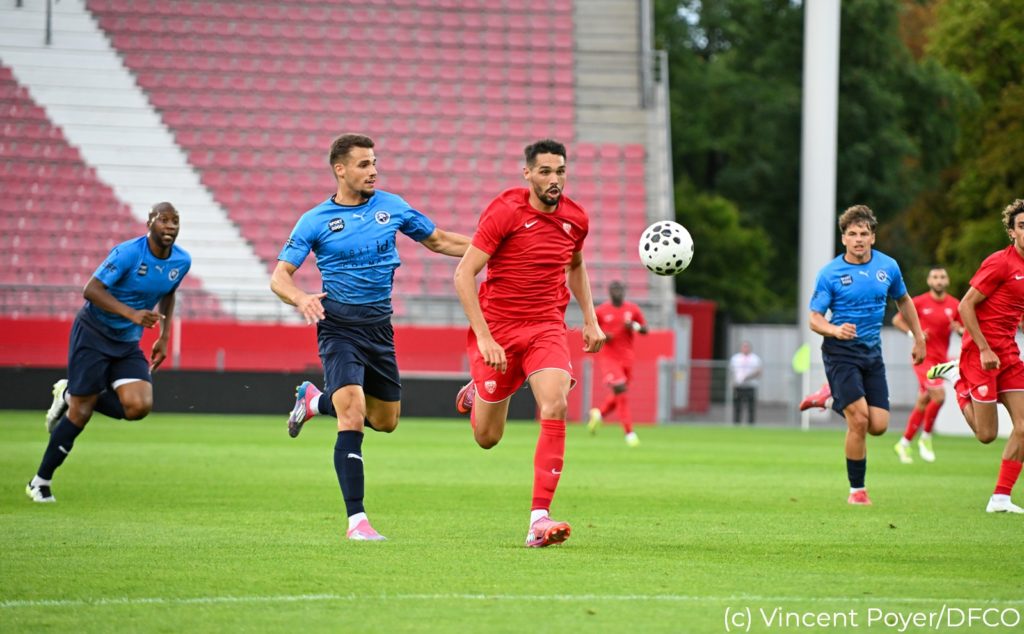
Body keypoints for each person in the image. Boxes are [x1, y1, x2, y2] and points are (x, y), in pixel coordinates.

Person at [271, 133, 470, 541]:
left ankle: (314, 400)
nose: (373, 170)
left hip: (379, 328)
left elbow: (439, 240)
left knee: (385, 420)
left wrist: (493, 248)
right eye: (364, 164)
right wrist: (301, 298)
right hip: (338, 327)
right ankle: (357, 521)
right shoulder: (315, 220)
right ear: (340, 169)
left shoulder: (392, 206)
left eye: (375, 163)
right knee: (352, 413)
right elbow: (279, 277)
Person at [452, 139, 605, 548]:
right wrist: (484, 337)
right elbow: (464, 274)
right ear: (528, 174)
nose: (554, 179)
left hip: (546, 327)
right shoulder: (505, 210)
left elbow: (575, 265)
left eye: (560, 171)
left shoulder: (576, 218)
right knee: (487, 438)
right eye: (545, 171)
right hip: (499, 330)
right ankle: (477, 393)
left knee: (555, 404)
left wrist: (590, 319)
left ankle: (539, 519)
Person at [26, 202, 191, 503]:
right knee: (81, 412)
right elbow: (91, 290)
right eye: (164, 220)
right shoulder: (128, 253)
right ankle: (40, 482)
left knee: (139, 406)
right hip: (93, 334)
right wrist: (132, 314)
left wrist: (164, 336)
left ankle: (70, 392)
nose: (170, 226)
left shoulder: (181, 261)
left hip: (126, 343)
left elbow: (168, 293)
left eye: (175, 221)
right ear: (149, 223)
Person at [798, 205, 925, 505]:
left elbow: (904, 301)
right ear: (843, 238)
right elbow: (814, 318)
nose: (858, 239)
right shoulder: (830, 273)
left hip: (872, 353)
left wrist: (918, 338)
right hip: (840, 353)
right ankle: (857, 491)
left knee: (878, 425)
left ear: (873, 237)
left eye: (864, 234)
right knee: (858, 420)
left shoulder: (888, 267)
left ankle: (829, 399)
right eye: (852, 234)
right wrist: (834, 330)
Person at [927, 199, 1024, 513]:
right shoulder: (999, 263)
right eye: (1022, 226)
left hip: (1008, 353)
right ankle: (957, 378)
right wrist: (983, 348)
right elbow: (965, 305)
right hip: (979, 353)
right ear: (1011, 232)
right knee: (987, 434)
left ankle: (1000, 498)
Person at [890, 267, 962, 464]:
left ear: (947, 281)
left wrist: (960, 330)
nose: (939, 280)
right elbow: (897, 320)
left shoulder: (955, 305)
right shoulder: (919, 302)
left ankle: (904, 443)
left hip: (941, 361)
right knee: (939, 396)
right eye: (935, 277)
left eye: (942, 277)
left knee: (923, 401)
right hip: (923, 359)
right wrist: (915, 334)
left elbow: (964, 329)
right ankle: (926, 437)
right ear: (929, 281)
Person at [586, 280, 647, 446]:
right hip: (609, 358)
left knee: (620, 393)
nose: (617, 292)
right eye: (614, 290)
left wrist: (633, 326)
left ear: (624, 291)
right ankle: (629, 433)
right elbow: (590, 329)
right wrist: (602, 335)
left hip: (627, 358)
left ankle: (599, 415)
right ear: (609, 292)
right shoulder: (601, 311)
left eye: (619, 289)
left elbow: (645, 329)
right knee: (620, 389)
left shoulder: (632, 309)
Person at [728, 341, 762, 425]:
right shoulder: (735, 358)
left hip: (750, 385)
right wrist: (733, 381)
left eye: (747, 347)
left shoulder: (755, 359)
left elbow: (759, 371)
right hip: (738, 385)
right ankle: (736, 424)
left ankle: (751, 424)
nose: (745, 348)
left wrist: (747, 377)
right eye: (744, 347)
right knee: (737, 406)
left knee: (751, 407)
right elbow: (731, 371)